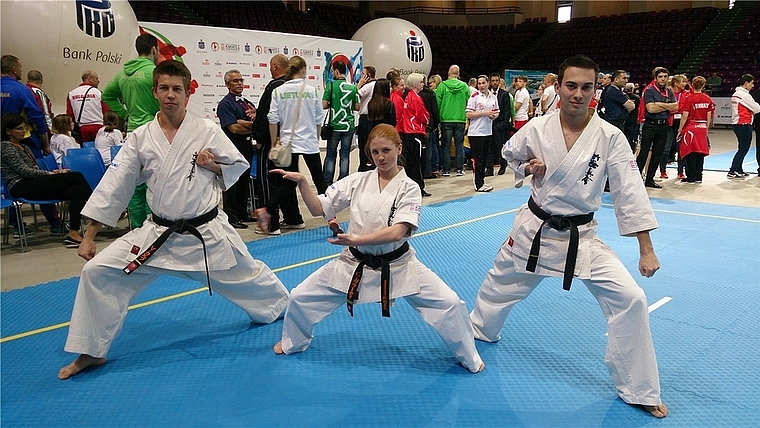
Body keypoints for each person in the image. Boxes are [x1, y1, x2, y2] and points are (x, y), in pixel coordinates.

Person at [57, 60, 289, 380]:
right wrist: (89, 234)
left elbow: (237, 167)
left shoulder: (205, 130)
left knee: (250, 278)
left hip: (205, 234)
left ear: (186, 95)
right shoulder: (140, 137)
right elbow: (116, 184)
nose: (170, 95)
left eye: (176, 89)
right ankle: (92, 350)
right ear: (154, 92)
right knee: (97, 271)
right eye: (164, 88)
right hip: (158, 235)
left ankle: (285, 305)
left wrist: (214, 167)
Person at [469, 54, 668, 419]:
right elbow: (509, 153)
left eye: (586, 87)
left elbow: (630, 191)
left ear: (597, 89)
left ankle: (638, 387)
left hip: (582, 236)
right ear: (558, 86)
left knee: (632, 298)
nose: (578, 94)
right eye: (571, 86)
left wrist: (646, 248)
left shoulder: (611, 137)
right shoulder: (537, 128)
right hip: (535, 230)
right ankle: (476, 334)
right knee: (497, 289)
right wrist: (527, 166)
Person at [271, 124, 485, 374]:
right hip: (354, 262)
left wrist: (355, 240)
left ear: (399, 148)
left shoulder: (409, 187)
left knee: (450, 303)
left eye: (386, 150)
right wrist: (303, 183)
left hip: (398, 263)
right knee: (300, 297)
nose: (381, 157)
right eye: (375, 152)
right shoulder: (358, 180)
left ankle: (470, 357)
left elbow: (399, 231)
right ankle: (293, 342)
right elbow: (320, 208)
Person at [1, 113, 91, 247]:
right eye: (19, 129)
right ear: (8, 131)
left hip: (33, 183)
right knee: (76, 176)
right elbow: (24, 172)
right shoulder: (6, 147)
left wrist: (53, 173)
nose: (24, 131)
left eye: (24, 128)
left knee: (76, 191)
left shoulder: (24, 147)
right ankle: (98, 207)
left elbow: (34, 169)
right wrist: (49, 174)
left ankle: (73, 232)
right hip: (20, 186)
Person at [101, 33, 161, 229]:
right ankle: (156, 228)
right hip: (154, 131)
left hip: (133, 131)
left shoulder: (122, 74)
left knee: (136, 183)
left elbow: (107, 96)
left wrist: (126, 114)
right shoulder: (155, 73)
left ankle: (138, 229)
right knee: (158, 181)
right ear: (154, 49)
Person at [263, 55, 327, 236]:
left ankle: (272, 222)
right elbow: (317, 119)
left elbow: (272, 119)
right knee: (319, 180)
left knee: (285, 184)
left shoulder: (278, 91)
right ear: (304, 70)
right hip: (309, 142)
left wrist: (274, 141)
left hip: (287, 143)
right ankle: (331, 218)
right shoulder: (312, 91)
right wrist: (315, 138)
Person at [251, 54, 288, 233]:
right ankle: (293, 217)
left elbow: (267, 116)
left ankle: (270, 223)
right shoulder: (293, 88)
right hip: (291, 142)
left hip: (272, 142)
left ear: (274, 66)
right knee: (287, 179)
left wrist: (259, 138)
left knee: (267, 180)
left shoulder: (274, 88)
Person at [217, 69, 257, 229]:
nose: (240, 83)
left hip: (247, 146)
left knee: (244, 181)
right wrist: (249, 126)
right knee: (232, 183)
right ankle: (231, 217)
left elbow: (257, 123)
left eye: (241, 80)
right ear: (227, 84)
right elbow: (234, 128)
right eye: (235, 81)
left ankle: (242, 213)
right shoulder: (225, 104)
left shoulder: (247, 103)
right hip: (232, 147)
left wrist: (245, 123)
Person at [0, 55, 50, 158]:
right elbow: (37, 117)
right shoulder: (22, 90)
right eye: (20, 67)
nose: (21, 71)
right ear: (14, 69)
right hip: (22, 142)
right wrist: (45, 145)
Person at [637, 67, 678, 189]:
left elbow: (676, 106)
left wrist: (659, 104)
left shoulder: (669, 91)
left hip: (663, 125)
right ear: (655, 78)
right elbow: (650, 108)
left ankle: (650, 179)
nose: (663, 79)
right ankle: (637, 178)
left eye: (665, 77)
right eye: (660, 77)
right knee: (644, 152)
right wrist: (667, 106)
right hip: (650, 124)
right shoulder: (649, 90)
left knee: (658, 153)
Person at [322, 61, 359, 186]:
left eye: (333, 71)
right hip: (349, 125)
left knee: (331, 155)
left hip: (335, 125)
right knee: (344, 156)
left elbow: (324, 104)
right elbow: (357, 107)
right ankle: (343, 182)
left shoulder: (331, 86)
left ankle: (327, 182)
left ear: (336, 71)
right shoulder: (353, 87)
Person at [676, 76, 714, 183]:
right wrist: (706, 129)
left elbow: (684, 116)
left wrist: (680, 130)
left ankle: (691, 176)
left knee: (690, 153)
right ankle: (699, 176)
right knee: (700, 152)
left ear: (692, 85)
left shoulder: (690, 99)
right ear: (703, 85)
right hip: (702, 128)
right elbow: (708, 116)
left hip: (691, 128)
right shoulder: (707, 99)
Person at [399, 73, 430, 197]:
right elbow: (422, 115)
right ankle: (418, 188)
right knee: (416, 162)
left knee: (411, 161)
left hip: (410, 132)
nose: (423, 84)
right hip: (415, 132)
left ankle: (412, 187)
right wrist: (427, 120)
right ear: (416, 83)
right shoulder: (415, 98)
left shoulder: (409, 96)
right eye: (421, 82)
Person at [465, 75, 499, 192]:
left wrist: (493, 116)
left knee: (484, 160)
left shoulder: (493, 97)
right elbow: (468, 114)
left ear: (487, 83)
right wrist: (484, 113)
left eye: (483, 83)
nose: (481, 86)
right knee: (478, 160)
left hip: (487, 131)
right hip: (476, 133)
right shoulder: (474, 97)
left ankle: (482, 181)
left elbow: (496, 112)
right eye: (479, 84)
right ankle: (478, 184)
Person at [435, 65, 470, 177]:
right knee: (459, 145)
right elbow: (469, 101)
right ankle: (459, 169)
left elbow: (438, 103)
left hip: (446, 119)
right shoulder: (464, 86)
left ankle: (446, 170)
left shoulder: (442, 86)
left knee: (446, 145)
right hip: (460, 119)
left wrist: (439, 116)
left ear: (448, 73)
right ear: (458, 74)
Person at [727, 74, 760, 178]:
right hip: (743, 123)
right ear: (746, 83)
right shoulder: (745, 95)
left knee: (742, 147)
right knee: (744, 148)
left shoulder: (736, 93)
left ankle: (739, 169)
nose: (753, 85)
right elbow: (757, 108)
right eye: (751, 83)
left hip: (738, 123)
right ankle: (733, 170)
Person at [659, 75, 690, 181]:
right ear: (676, 83)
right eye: (683, 82)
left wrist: (675, 109)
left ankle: (681, 172)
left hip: (682, 123)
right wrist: (674, 109)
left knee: (681, 149)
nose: (685, 84)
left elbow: (686, 108)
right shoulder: (667, 93)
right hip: (669, 123)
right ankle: (662, 171)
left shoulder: (687, 94)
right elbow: (665, 107)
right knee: (666, 148)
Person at [66, 70, 107, 144]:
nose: (99, 81)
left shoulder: (71, 94)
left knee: (85, 151)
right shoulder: (98, 93)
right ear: (90, 79)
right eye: (97, 78)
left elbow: (69, 114)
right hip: (99, 127)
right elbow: (106, 111)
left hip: (82, 128)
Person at [489, 73, 514, 176]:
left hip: (500, 124)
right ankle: (489, 168)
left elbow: (507, 110)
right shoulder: (487, 94)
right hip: (488, 124)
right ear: (490, 82)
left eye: (496, 80)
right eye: (493, 80)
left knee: (499, 147)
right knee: (489, 147)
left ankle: (503, 164)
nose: (495, 82)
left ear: (499, 82)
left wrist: (504, 124)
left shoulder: (504, 94)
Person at [356, 66, 376, 172]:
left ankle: (363, 166)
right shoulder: (375, 85)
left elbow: (355, 94)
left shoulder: (368, 86)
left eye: (363, 74)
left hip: (365, 118)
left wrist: (360, 84)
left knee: (363, 144)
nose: (361, 76)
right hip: (371, 118)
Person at [419, 74, 439, 180]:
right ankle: (429, 169)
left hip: (420, 125)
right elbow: (434, 110)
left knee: (424, 149)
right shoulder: (430, 94)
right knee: (429, 148)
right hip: (429, 125)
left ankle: (423, 170)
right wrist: (435, 123)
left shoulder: (414, 94)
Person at [427, 74, 443, 177]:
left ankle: (435, 166)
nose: (429, 85)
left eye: (431, 83)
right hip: (441, 119)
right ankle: (438, 165)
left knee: (434, 144)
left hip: (436, 121)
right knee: (437, 144)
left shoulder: (434, 93)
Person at [623, 82, 641, 153]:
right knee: (631, 136)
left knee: (624, 134)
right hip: (633, 118)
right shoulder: (637, 97)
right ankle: (630, 150)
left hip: (625, 118)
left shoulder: (624, 96)